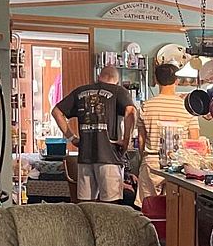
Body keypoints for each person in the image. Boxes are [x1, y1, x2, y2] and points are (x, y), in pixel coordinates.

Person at [52, 65, 136, 203]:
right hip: (110, 157)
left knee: (86, 206)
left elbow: (56, 112)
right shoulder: (118, 91)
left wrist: (72, 138)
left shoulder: (80, 91)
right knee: (110, 207)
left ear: (98, 77)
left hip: (85, 157)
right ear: (117, 80)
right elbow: (131, 112)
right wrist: (126, 141)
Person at [136, 63, 200, 204]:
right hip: (180, 165)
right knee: (175, 209)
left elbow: (141, 139)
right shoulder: (187, 107)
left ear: (156, 80)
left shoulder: (146, 105)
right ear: (177, 80)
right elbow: (194, 141)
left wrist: (143, 157)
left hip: (151, 161)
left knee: (149, 208)